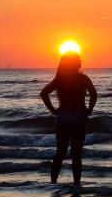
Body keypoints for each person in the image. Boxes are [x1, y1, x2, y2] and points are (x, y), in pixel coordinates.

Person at [40, 51, 97, 186]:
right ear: (75, 62)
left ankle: (53, 184)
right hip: (78, 117)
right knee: (76, 155)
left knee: (60, 153)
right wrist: (89, 110)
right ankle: (76, 184)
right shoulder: (83, 78)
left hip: (63, 118)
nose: (80, 60)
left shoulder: (60, 79)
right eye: (78, 58)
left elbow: (43, 94)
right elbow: (94, 94)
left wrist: (53, 110)